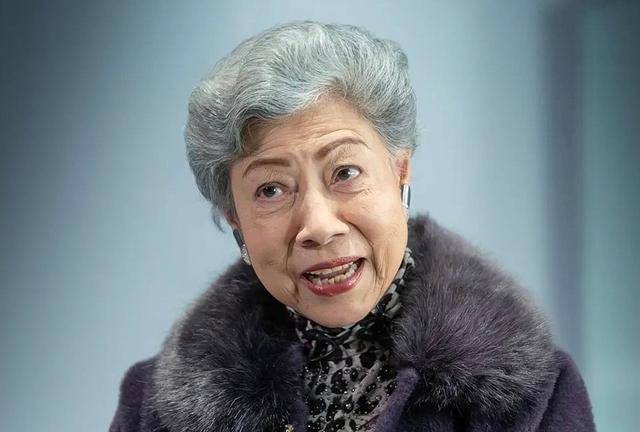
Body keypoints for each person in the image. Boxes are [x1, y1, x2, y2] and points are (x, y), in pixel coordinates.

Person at [109, 21, 595, 432]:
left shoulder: (537, 394)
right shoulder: (151, 410)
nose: (318, 226)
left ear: (400, 170)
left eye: (344, 173)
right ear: (234, 217)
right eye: (271, 190)